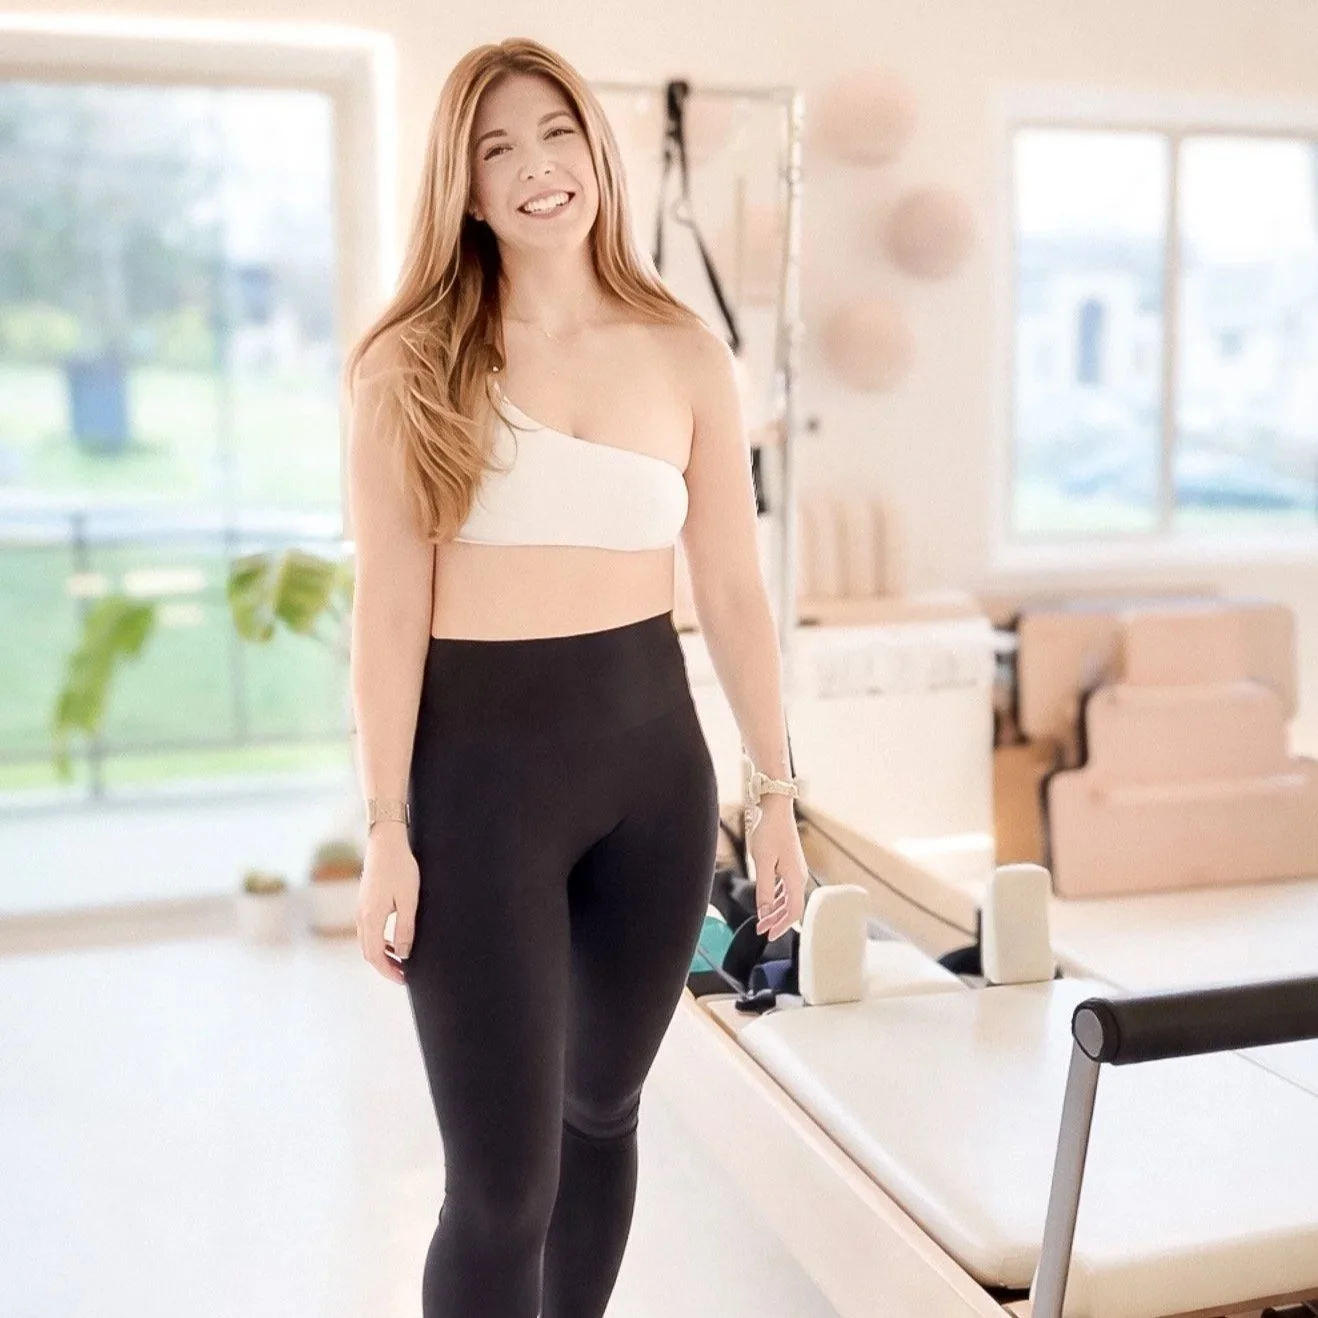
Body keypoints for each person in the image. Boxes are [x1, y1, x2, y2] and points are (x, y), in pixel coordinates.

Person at [342, 36, 809, 1318]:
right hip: (479, 793)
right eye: (496, 148)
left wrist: (775, 789)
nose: (537, 167)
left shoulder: (681, 348)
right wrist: (385, 826)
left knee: (602, 1111)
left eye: (555, 132)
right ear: (466, 190)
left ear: (594, 149)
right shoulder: (412, 364)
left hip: (653, 782)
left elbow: (730, 591)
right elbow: (388, 612)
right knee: (499, 1191)